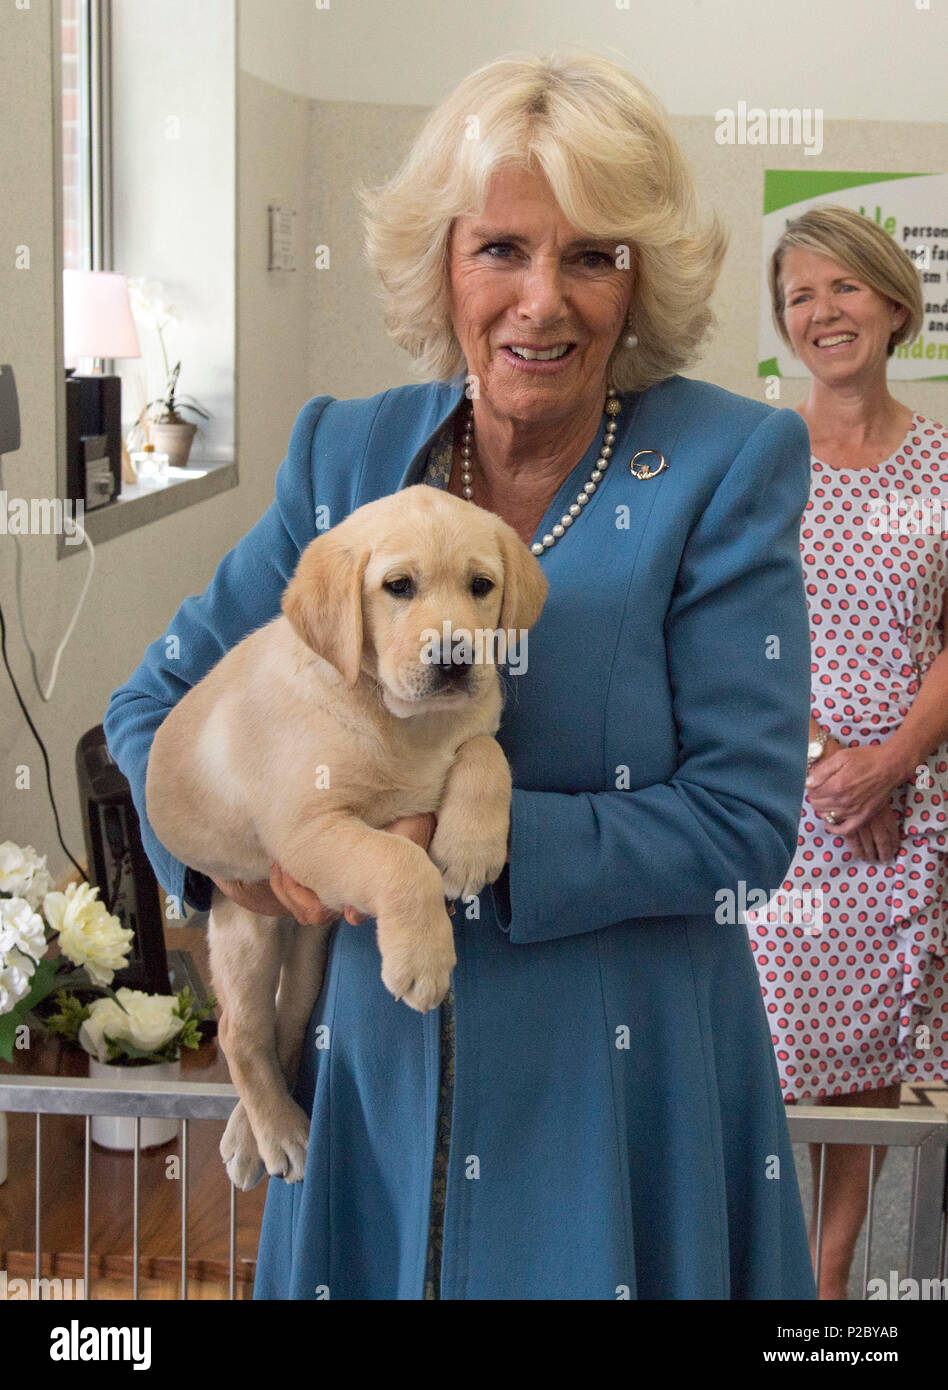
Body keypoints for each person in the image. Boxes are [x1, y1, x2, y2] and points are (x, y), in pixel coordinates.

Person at [104, 51, 818, 1300]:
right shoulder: (349, 451)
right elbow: (152, 704)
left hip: (612, 1091)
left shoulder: (726, 462)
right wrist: (251, 863)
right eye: (502, 249)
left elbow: (745, 819)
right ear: (443, 262)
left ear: (640, 278)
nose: (543, 301)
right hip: (369, 1093)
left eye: (593, 255)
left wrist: (462, 843)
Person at [748, 205, 948, 1298]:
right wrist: (831, 763)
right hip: (780, 808)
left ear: (892, 303)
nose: (823, 311)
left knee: (871, 1069)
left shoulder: (944, 465)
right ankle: (766, 1273)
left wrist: (892, 763)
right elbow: (731, 632)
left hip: (904, 816)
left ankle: (826, 1287)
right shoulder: (759, 460)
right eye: (800, 297)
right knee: (774, 1063)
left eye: (843, 288)